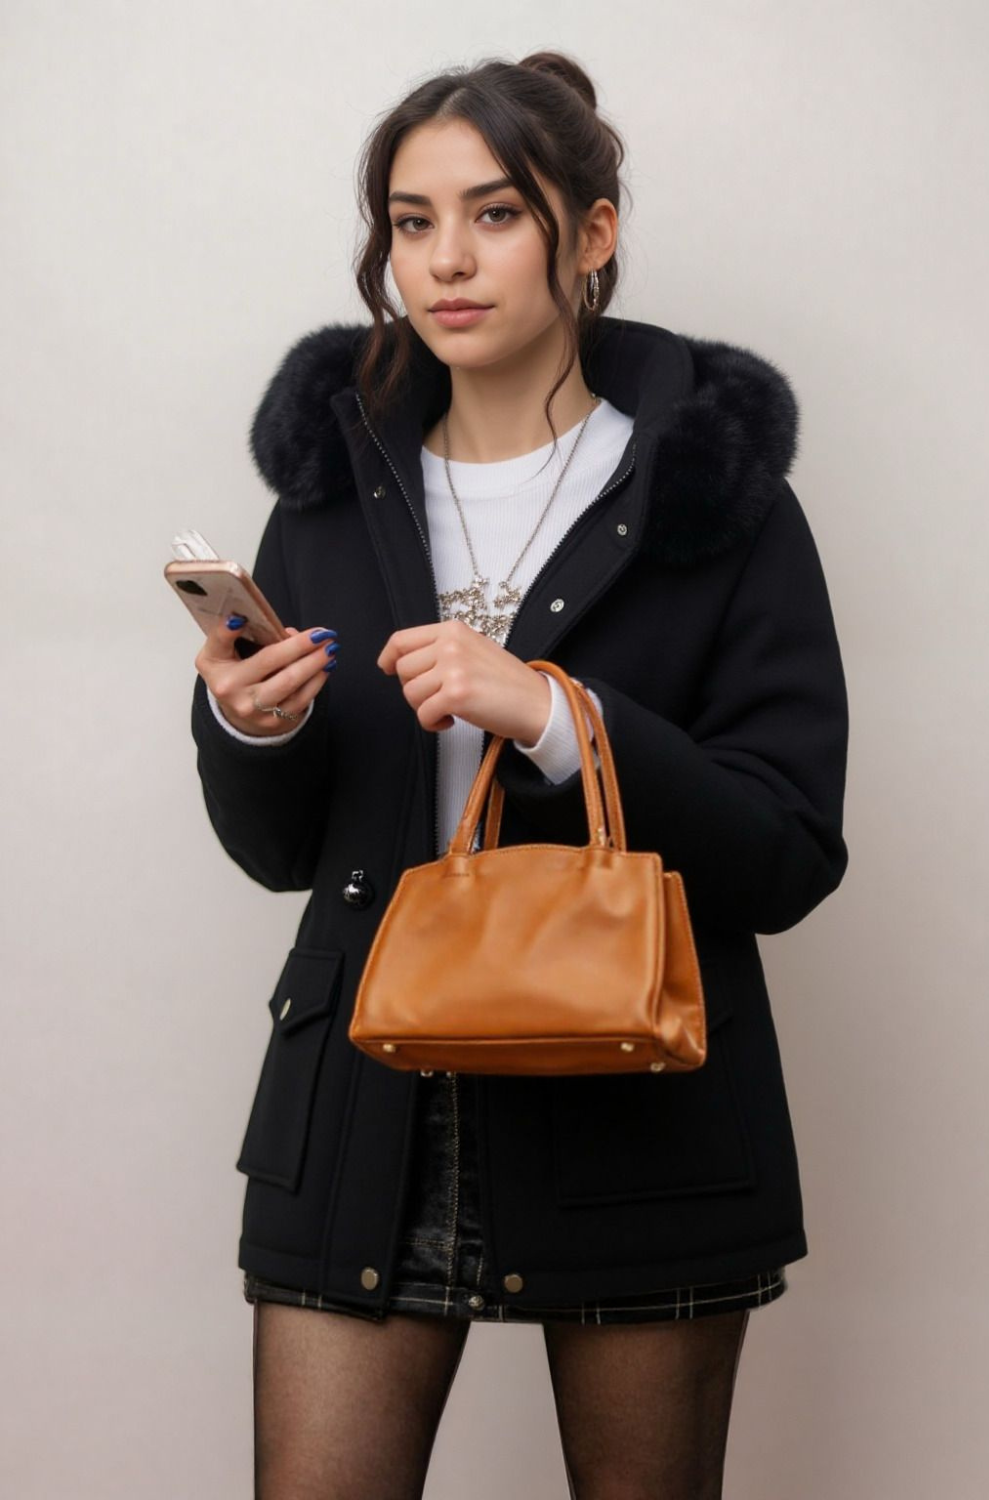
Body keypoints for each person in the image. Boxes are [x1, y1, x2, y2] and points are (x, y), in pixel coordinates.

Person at [190, 50, 849, 1500]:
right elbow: (281, 854)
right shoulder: (330, 487)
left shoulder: (713, 497)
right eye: (410, 221)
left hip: (639, 1106)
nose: (445, 260)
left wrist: (560, 718)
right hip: (361, 1104)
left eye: (494, 214)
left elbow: (790, 851)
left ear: (591, 233)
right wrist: (251, 725)